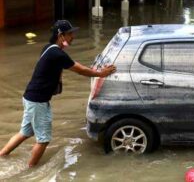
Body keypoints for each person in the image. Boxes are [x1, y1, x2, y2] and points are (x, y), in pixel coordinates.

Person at [0, 20, 116, 167]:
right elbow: (80, 70)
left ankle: (2, 156)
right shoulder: (57, 54)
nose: (72, 37)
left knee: (25, 132)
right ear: (60, 35)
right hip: (38, 101)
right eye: (70, 34)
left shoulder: (48, 48)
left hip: (30, 97)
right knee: (43, 140)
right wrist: (101, 73)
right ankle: (31, 169)